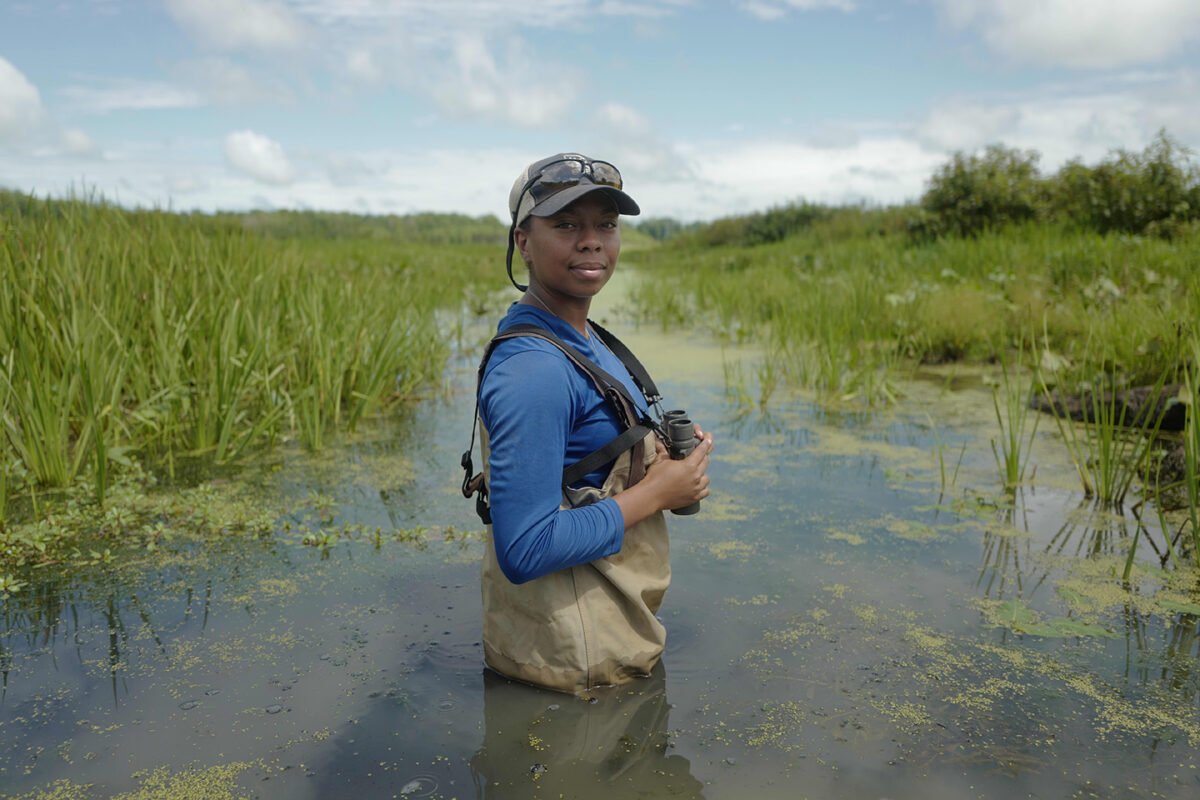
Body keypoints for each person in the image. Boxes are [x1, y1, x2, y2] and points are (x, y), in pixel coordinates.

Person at [462, 153, 714, 694]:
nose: (592, 240)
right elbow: (524, 549)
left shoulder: (579, 334)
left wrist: (662, 466)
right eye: (566, 225)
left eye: (606, 224)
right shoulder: (534, 370)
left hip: (601, 651)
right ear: (523, 242)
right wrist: (658, 493)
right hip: (572, 675)